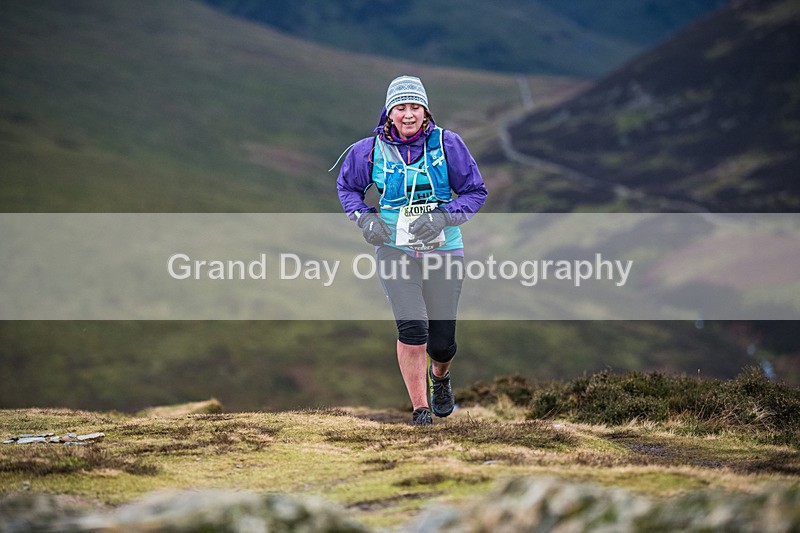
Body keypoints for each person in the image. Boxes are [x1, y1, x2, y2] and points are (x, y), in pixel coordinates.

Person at [336, 75, 488, 426]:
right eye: (400, 107)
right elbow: (347, 187)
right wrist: (365, 219)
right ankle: (420, 409)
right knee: (412, 328)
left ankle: (441, 378)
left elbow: (475, 191)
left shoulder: (449, 145)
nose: (408, 114)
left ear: (425, 110)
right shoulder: (368, 150)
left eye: (415, 107)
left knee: (442, 344)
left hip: (444, 250)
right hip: (394, 249)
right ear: (389, 113)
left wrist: (443, 216)